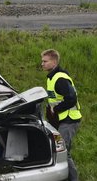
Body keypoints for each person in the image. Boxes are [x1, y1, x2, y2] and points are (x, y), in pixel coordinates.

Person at [41, 48, 82, 181]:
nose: (42, 64)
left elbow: (71, 99)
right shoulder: (51, 77)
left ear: (54, 62)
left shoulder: (60, 79)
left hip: (69, 119)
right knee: (59, 151)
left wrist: (56, 109)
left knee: (63, 152)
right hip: (61, 120)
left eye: (45, 61)